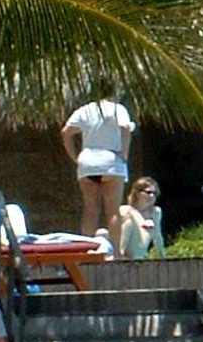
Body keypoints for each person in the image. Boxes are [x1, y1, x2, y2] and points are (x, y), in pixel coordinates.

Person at [62, 94, 135, 238]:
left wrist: (74, 156)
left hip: (88, 162)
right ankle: (116, 250)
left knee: (90, 209)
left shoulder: (85, 110)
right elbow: (125, 128)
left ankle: (87, 248)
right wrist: (124, 154)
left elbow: (66, 132)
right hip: (111, 161)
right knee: (113, 212)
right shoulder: (118, 109)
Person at [115, 176, 165, 260]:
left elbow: (157, 236)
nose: (152, 196)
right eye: (148, 192)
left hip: (140, 257)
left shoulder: (156, 212)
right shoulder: (125, 210)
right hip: (124, 257)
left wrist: (162, 257)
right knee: (129, 223)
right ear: (137, 193)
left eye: (155, 193)